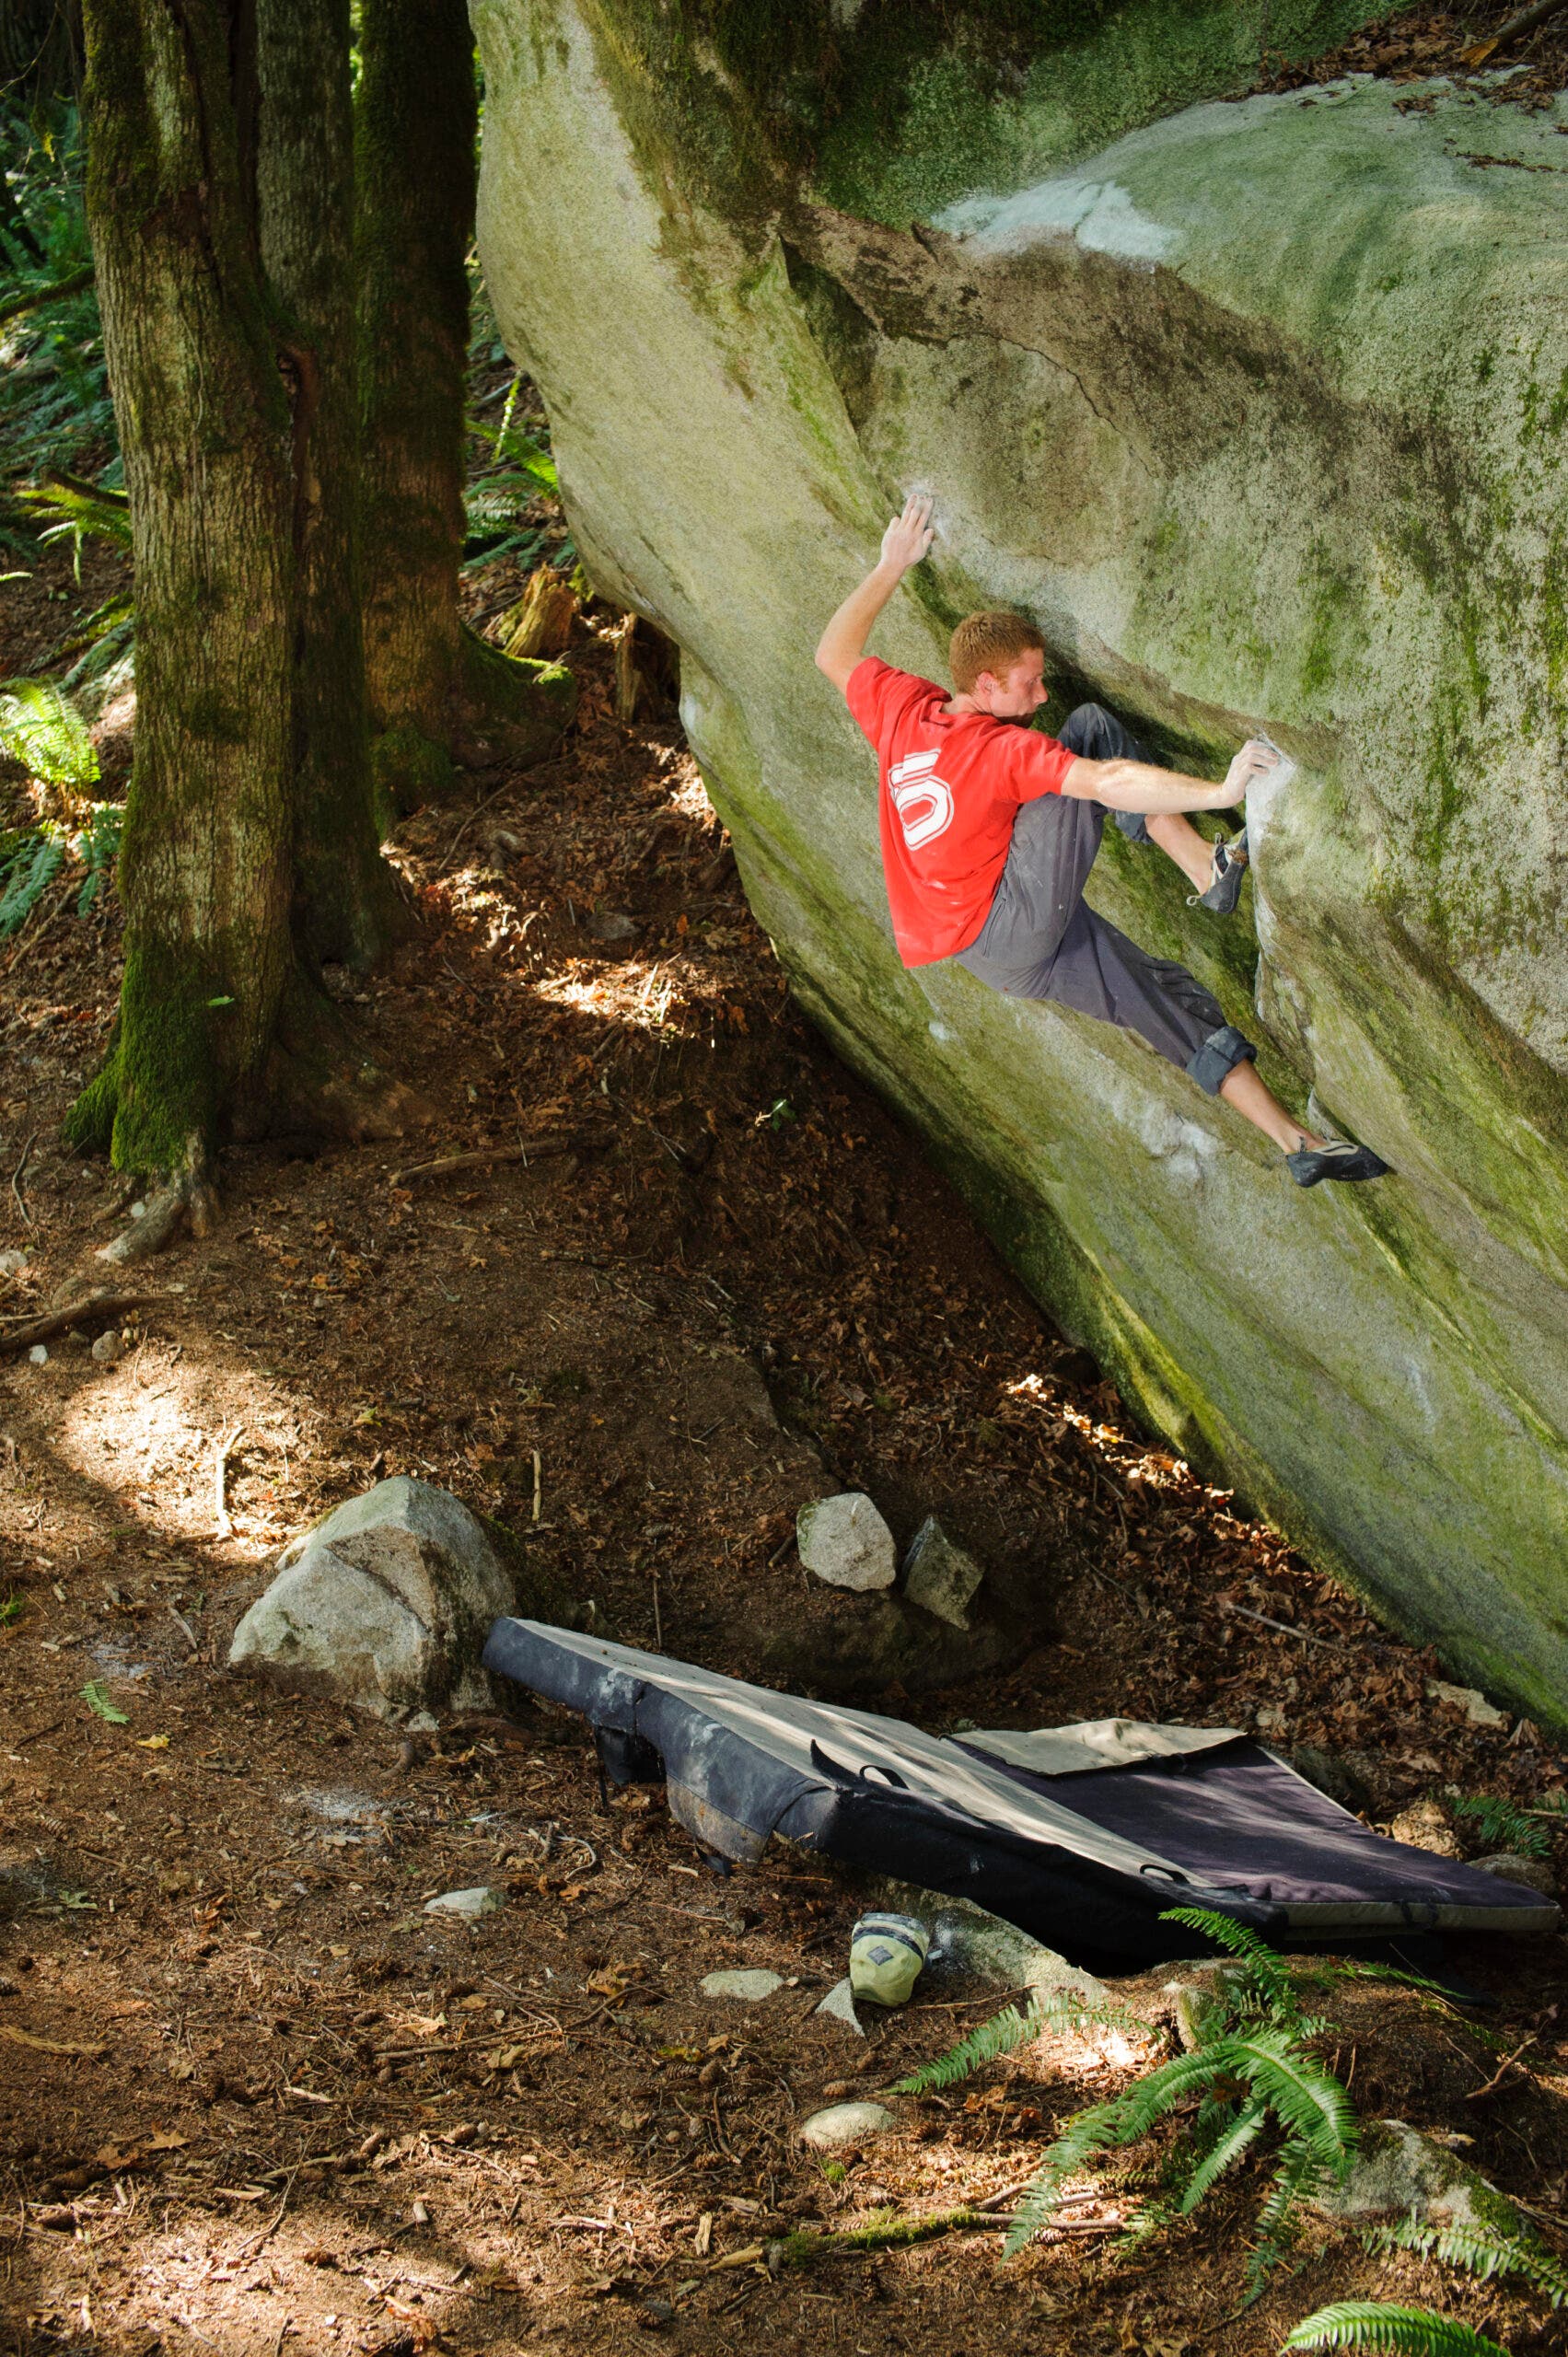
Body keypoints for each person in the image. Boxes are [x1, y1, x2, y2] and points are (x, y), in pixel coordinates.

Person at [814, 494, 1388, 1188]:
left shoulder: (904, 711)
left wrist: (890, 563)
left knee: (1155, 1000)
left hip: (994, 961)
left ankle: (1296, 1141)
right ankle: (1204, 869)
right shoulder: (1000, 750)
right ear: (987, 683)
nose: (1039, 693)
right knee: (1087, 728)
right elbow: (1107, 779)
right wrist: (1218, 791)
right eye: (1027, 683)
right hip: (1010, 917)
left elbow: (832, 652)